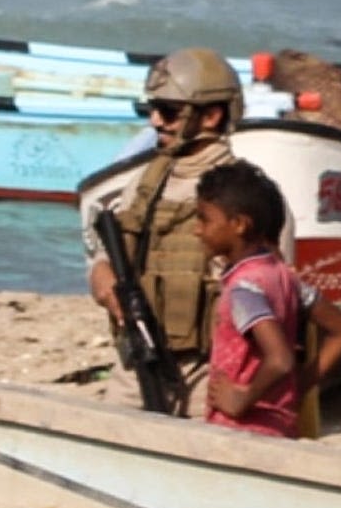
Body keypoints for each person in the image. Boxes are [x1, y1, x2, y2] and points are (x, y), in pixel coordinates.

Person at [82, 48, 246, 403]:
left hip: (210, 369)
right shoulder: (145, 183)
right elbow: (102, 254)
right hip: (139, 362)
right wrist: (103, 278)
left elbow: (271, 287)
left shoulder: (244, 192)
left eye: (169, 112)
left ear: (211, 116)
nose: (156, 121)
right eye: (152, 109)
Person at [194, 159, 341, 440]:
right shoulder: (284, 277)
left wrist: (245, 398)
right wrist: (299, 386)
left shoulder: (244, 288)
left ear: (240, 224)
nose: (197, 230)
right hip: (279, 426)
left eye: (205, 219)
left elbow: (280, 359)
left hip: (241, 431)